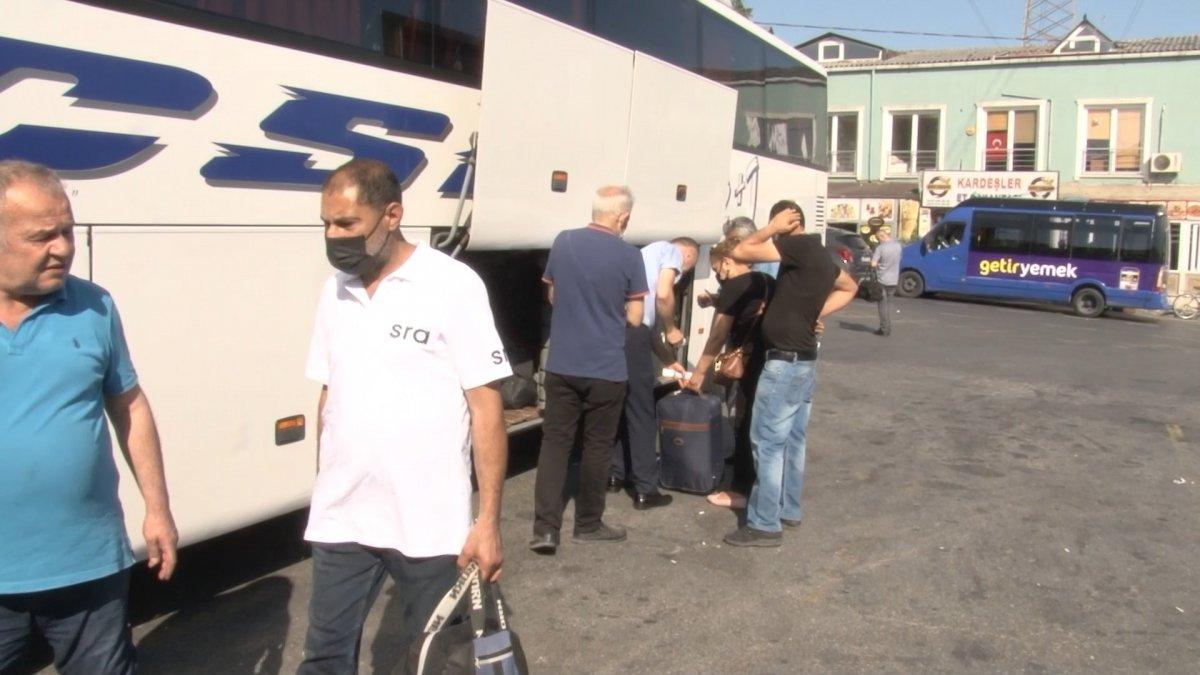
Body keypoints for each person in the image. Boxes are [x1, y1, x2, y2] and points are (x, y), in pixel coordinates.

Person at [300, 159, 511, 672]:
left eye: (347, 224)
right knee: (324, 658)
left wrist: (487, 523)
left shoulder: (452, 284)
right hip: (342, 516)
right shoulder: (336, 290)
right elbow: (330, 393)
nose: (334, 236)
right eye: (326, 223)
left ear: (392, 215)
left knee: (437, 659)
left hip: (429, 522)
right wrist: (323, 479)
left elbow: (486, 407)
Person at [0, 160, 177, 674]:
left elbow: (130, 406)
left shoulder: (94, 306)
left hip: (87, 565)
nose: (62, 247)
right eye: (41, 237)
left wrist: (157, 508)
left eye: (67, 231)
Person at [724, 200, 858, 547]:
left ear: (786, 221)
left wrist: (772, 228)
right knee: (793, 439)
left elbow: (740, 251)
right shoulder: (821, 255)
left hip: (784, 363)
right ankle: (788, 508)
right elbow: (850, 287)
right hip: (805, 360)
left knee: (767, 441)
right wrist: (817, 313)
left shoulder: (795, 246)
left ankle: (765, 524)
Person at [531, 186, 648, 554]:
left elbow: (553, 295)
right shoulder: (630, 255)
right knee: (597, 448)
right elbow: (635, 317)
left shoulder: (563, 241)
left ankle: (545, 530)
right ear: (623, 217)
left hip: (563, 364)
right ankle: (588, 524)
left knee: (555, 445)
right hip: (606, 369)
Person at [608, 237, 698, 508]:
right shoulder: (668, 251)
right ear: (687, 256)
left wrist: (669, 361)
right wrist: (672, 328)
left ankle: (615, 474)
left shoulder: (638, 257)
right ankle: (646, 488)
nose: (681, 277)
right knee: (641, 411)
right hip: (633, 334)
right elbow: (662, 296)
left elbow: (648, 331)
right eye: (686, 270)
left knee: (620, 404)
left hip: (616, 332)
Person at [683, 239, 774, 510]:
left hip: (745, 361)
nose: (717, 274)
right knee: (760, 422)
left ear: (727, 260)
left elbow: (718, 335)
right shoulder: (766, 280)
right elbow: (745, 308)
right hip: (768, 357)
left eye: (716, 267)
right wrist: (715, 299)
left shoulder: (735, 285)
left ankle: (741, 489)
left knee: (745, 420)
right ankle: (758, 479)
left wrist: (699, 372)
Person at [870, 225, 903, 336]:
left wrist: (879, 264)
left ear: (881, 237)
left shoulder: (880, 248)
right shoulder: (898, 246)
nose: (879, 241)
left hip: (882, 279)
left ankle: (884, 328)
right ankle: (887, 327)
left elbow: (873, 264)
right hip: (894, 279)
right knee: (888, 304)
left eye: (879, 239)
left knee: (882, 305)